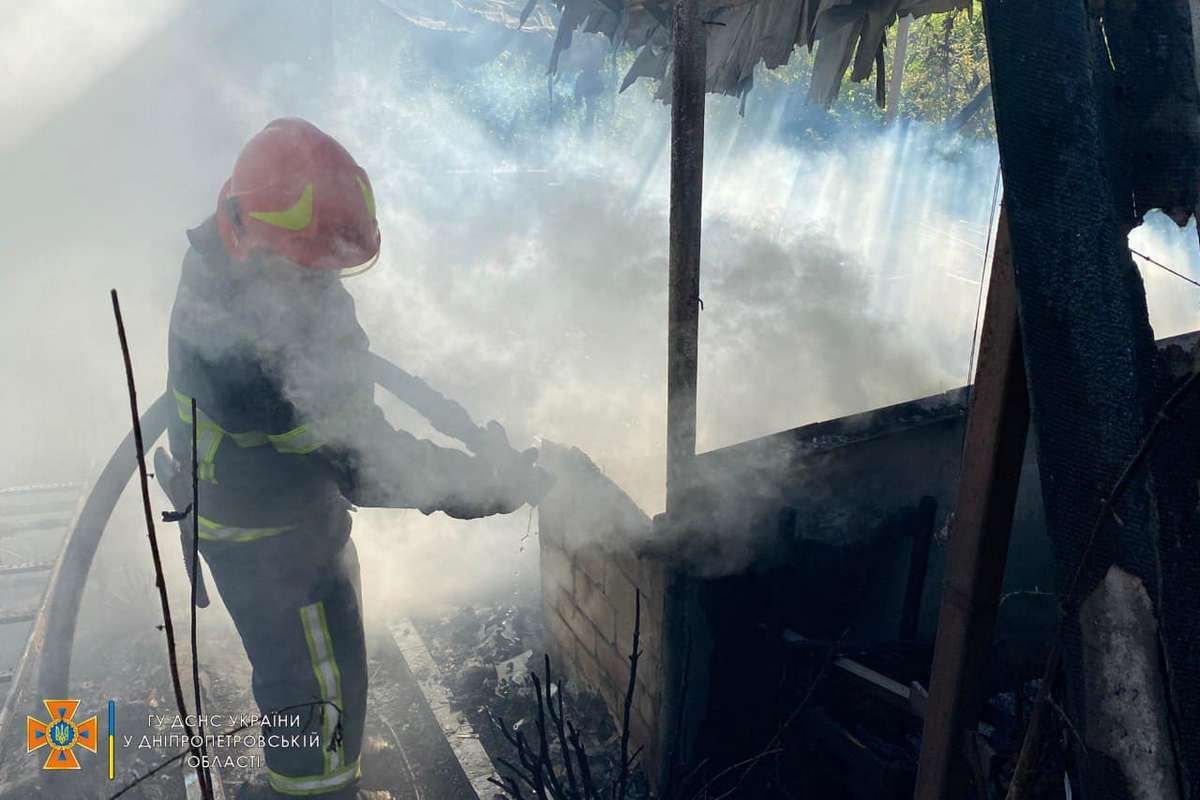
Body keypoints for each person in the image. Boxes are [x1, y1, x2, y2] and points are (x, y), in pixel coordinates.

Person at [157, 117, 542, 799]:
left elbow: (339, 378)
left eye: (329, 269)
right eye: (307, 269)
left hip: (282, 518)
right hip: (271, 543)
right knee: (317, 702)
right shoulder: (250, 356)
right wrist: (492, 483)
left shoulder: (240, 259)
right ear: (250, 237)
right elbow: (370, 464)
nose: (323, 285)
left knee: (320, 683)